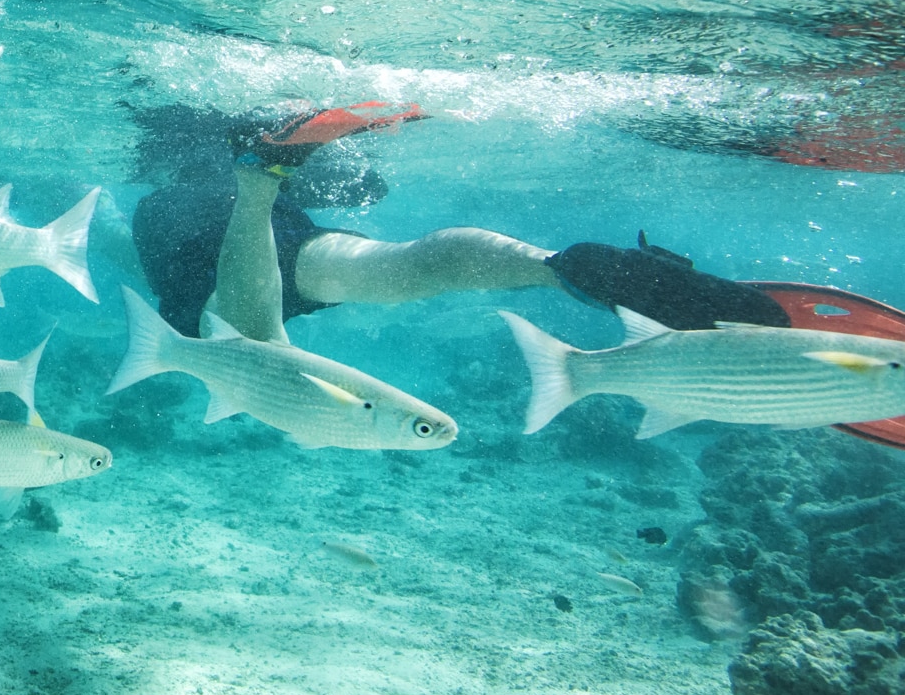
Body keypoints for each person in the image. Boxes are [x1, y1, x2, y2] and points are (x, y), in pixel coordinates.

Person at [131, 100, 905, 448]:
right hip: (280, 234)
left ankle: (259, 178)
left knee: (237, 339)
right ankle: (559, 267)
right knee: (393, 268)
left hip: (203, 231)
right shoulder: (176, 184)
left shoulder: (157, 195)